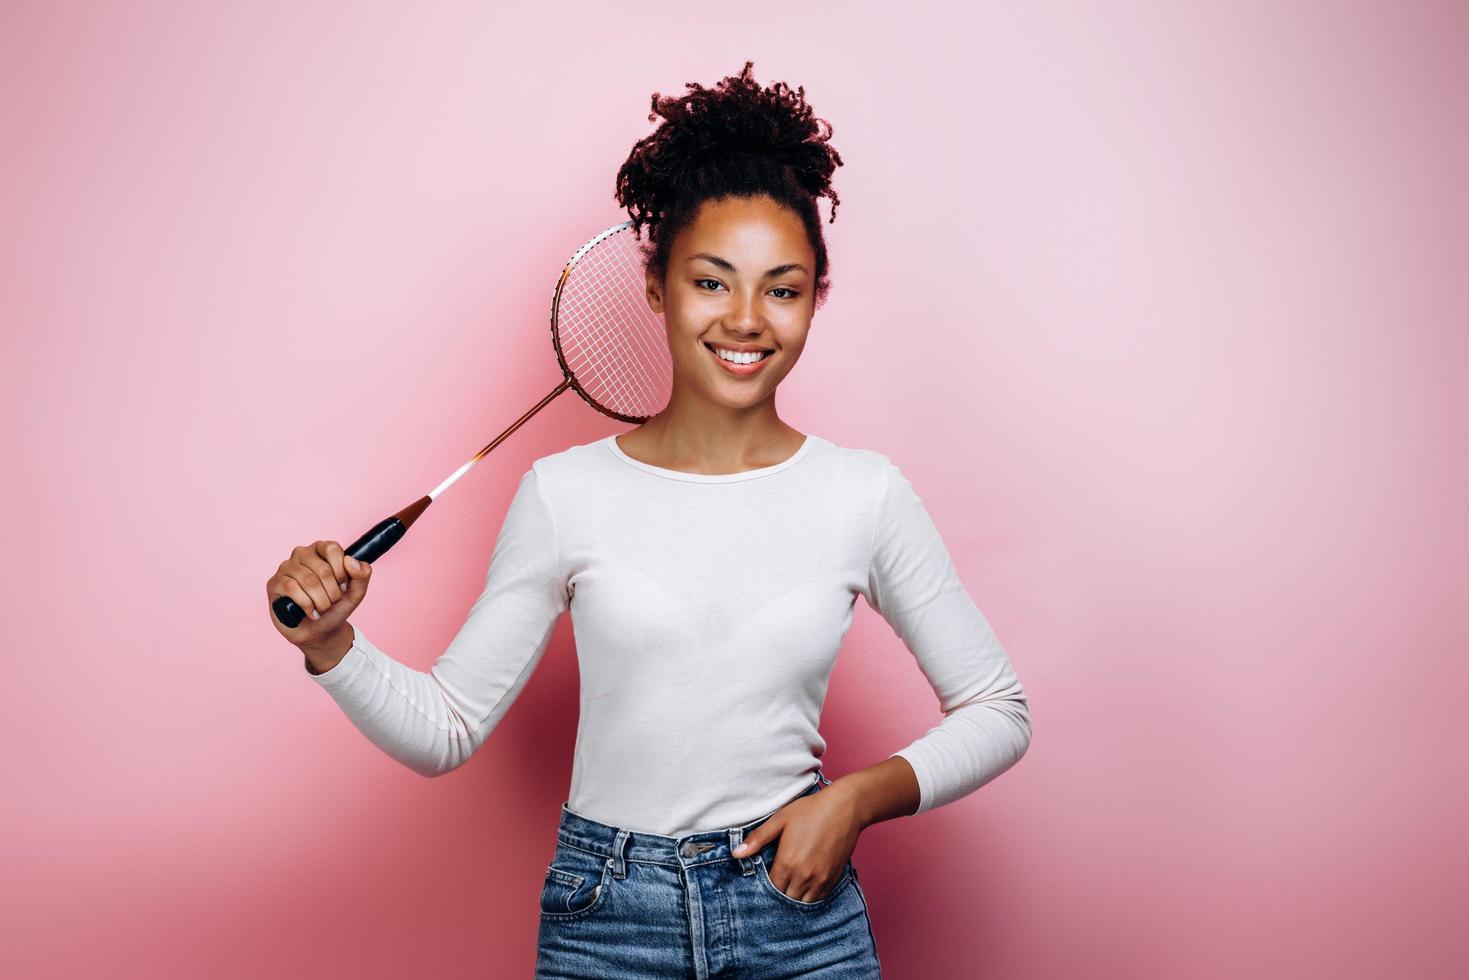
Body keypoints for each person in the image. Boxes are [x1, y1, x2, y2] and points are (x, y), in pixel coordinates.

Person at [266, 61, 1031, 979]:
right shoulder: (565, 493)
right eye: (712, 282)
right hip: (607, 920)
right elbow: (446, 729)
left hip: (798, 912)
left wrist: (856, 799)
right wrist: (332, 648)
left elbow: (998, 709)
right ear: (657, 287)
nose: (746, 319)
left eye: (781, 290)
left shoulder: (861, 493)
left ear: (813, 302)